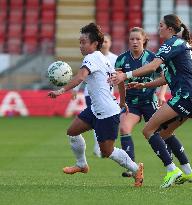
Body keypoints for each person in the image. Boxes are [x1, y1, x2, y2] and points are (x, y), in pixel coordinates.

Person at [109, 14, 192, 188]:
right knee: (165, 133)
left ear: (169, 28)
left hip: (185, 95)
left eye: (161, 25)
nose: (158, 28)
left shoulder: (171, 44)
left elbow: (153, 67)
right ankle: (189, 172)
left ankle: (172, 170)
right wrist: (143, 86)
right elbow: (166, 78)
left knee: (148, 130)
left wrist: (126, 75)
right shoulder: (181, 44)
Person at [48, 23, 144, 187]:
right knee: (72, 132)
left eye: (84, 42)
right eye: (80, 42)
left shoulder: (91, 58)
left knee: (108, 152)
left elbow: (80, 77)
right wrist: (121, 100)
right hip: (96, 109)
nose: (81, 45)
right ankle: (81, 164)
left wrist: (61, 91)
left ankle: (136, 169)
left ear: (94, 44)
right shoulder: (103, 58)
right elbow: (120, 78)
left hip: (107, 112)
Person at [115, 27, 168, 177]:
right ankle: (131, 167)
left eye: (138, 39)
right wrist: (122, 101)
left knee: (163, 133)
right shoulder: (122, 59)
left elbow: (165, 77)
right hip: (132, 103)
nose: (134, 42)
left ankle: (171, 165)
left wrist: (161, 95)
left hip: (149, 102)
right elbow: (120, 83)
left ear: (144, 40)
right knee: (124, 128)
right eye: (132, 39)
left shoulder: (153, 58)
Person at [71, 33, 118, 158]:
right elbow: (82, 74)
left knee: (99, 121)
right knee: (94, 119)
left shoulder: (113, 58)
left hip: (106, 98)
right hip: (90, 95)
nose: (105, 44)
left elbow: (119, 77)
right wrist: (75, 88)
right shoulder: (92, 57)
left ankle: (101, 145)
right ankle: (96, 147)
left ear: (110, 43)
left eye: (107, 42)